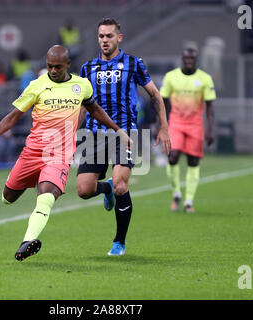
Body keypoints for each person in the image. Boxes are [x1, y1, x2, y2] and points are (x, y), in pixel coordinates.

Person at [0, 45, 131, 262]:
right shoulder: (36, 86)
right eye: (49, 66)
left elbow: (94, 110)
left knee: (46, 197)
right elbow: (13, 116)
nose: (53, 70)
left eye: (58, 66)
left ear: (68, 65)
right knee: (7, 198)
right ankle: (106, 187)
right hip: (32, 153)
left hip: (58, 155)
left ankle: (26, 243)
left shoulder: (81, 85)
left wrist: (118, 130)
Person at [76, 18, 170, 256]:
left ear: (119, 38)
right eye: (101, 36)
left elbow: (155, 95)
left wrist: (164, 127)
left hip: (125, 134)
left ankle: (119, 242)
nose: (104, 40)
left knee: (121, 184)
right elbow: (83, 106)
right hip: (94, 136)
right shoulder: (87, 68)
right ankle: (104, 189)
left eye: (109, 36)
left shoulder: (133, 63)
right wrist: (72, 132)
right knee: (84, 190)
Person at [160, 48, 216, 213]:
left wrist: (210, 130)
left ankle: (188, 201)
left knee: (193, 162)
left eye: (192, 58)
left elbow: (210, 108)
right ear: (182, 59)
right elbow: (162, 102)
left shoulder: (205, 79)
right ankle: (176, 192)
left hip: (195, 124)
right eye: (186, 58)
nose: (189, 60)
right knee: (172, 156)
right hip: (176, 122)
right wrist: (160, 125)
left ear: (196, 60)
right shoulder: (171, 77)